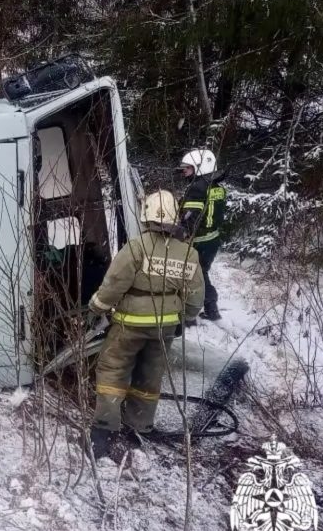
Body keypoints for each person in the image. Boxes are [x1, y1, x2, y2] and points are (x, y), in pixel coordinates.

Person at [87, 190, 205, 459]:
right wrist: (183, 318)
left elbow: (114, 283)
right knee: (150, 375)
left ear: (147, 215)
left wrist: (96, 307)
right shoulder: (189, 254)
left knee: (113, 370)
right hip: (165, 329)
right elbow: (196, 297)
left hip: (129, 325)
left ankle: (103, 431)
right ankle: (138, 427)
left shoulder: (137, 247)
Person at [178, 149, 227, 321]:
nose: (184, 172)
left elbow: (190, 218)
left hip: (198, 242)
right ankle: (211, 308)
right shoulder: (216, 187)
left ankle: (187, 314)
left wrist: (178, 231)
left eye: (188, 168)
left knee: (189, 275)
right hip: (212, 240)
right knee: (202, 273)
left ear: (200, 168)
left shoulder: (197, 188)